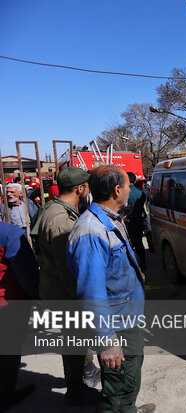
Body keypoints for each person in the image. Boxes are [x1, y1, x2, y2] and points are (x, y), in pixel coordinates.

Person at [66, 166, 155, 413]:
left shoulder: (110, 219)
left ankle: (129, 408)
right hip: (117, 326)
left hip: (127, 318)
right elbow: (91, 294)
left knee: (129, 379)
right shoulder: (91, 232)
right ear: (117, 190)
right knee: (118, 390)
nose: (130, 190)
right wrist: (107, 341)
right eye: (127, 186)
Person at [31, 166, 100, 405]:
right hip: (67, 296)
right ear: (80, 188)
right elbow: (69, 268)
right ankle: (77, 392)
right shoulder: (61, 220)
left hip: (56, 291)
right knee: (75, 344)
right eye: (87, 186)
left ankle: (78, 386)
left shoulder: (52, 209)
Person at [0, 221, 39, 411]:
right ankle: (5, 395)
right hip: (9, 304)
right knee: (9, 352)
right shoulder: (9, 233)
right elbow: (26, 272)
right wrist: (36, 296)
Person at [125, 172, 147, 269]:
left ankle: (131, 266)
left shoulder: (125, 193)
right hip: (138, 221)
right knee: (139, 244)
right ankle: (143, 264)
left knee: (127, 245)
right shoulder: (141, 192)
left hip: (127, 222)